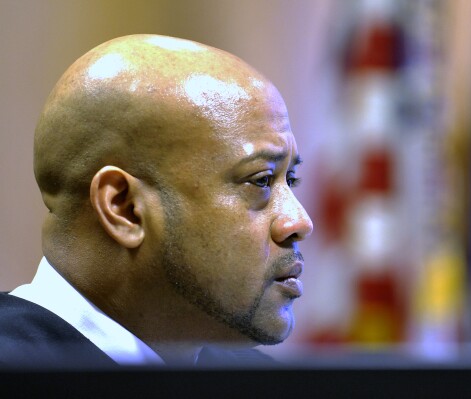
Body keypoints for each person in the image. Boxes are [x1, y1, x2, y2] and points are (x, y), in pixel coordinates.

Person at [0, 34, 313, 367]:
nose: (300, 222)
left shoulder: (264, 382)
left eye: (290, 179)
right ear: (124, 208)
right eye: (261, 180)